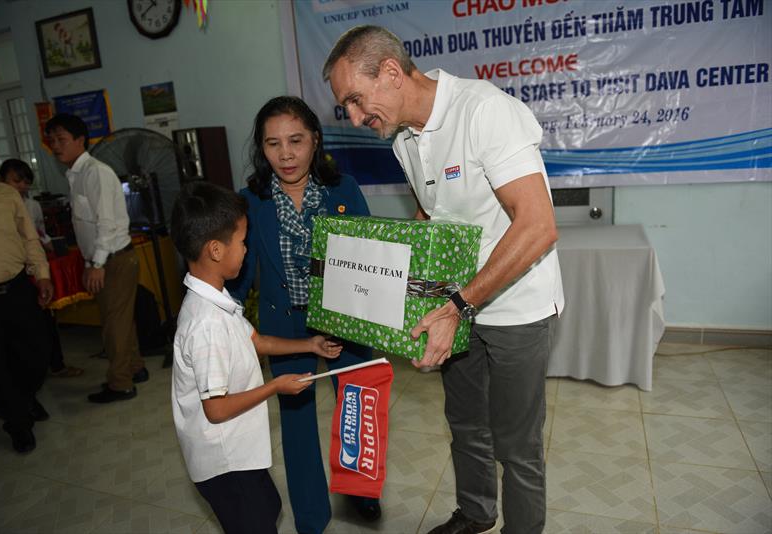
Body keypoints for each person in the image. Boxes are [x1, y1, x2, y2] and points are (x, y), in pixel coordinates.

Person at [324, 26, 565, 534]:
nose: (352, 117)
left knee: (516, 443)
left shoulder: (483, 111)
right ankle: (476, 513)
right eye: (343, 106)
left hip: (518, 307)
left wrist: (456, 303)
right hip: (457, 306)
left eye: (353, 99)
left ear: (390, 73)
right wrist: (401, 296)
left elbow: (538, 225)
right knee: (465, 423)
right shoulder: (404, 141)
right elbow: (431, 215)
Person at [227, 96, 381, 533]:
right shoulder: (250, 201)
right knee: (296, 426)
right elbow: (239, 271)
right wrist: (224, 313)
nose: (286, 154)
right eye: (273, 144)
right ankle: (311, 517)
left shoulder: (343, 189)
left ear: (315, 139)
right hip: (285, 325)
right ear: (262, 147)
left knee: (357, 409)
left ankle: (360, 492)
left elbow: (371, 257)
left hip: (345, 319)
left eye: (296, 140)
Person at [170, 181, 343, 534]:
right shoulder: (206, 324)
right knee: (256, 521)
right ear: (216, 250)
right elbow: (215, 409)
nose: (247, 250)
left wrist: (309, 345)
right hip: (223, 461)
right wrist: (275, 386)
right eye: (243, 242)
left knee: (269, 507)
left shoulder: (218, 298)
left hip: (239, 450)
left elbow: (258, 341)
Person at [45, 114, 147, 403]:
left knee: (114, 325)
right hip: (107, 258)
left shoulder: (94, 172)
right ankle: (135, 368)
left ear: (80, 140)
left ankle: (120, 384)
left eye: (62, 139)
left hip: (112, 259)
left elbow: (106, 223)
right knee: (122, 321)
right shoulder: (76, 174)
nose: (55, 146)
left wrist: (96, 263)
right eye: (52, 140)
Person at [0, 130, 53, 453]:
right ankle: (18, 423)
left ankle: (24, 398)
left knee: (35, 353)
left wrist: (43, 274)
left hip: (17, 287)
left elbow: (29, 239)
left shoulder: (6, 195)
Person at [0, 158, 84, 379]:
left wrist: (47, 246)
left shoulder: (33, 205)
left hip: (35, 272)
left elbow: (37, 234)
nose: (21, 187)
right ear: (2, 181)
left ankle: (56, 364)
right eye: (16, 181)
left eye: (25, 182)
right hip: (9, 274)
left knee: (45, 321)